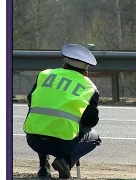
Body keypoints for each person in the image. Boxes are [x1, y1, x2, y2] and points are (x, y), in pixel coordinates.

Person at [23, 44, 102, 179]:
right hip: (62, 145)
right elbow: (91, 121)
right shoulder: (89, 87)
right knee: (94, 138)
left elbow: (30, 99)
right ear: (85, 73)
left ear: (64, 66)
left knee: (43, 122)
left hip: (33, 139)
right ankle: (65, 161)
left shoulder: (44, 75)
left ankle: (43, 168)